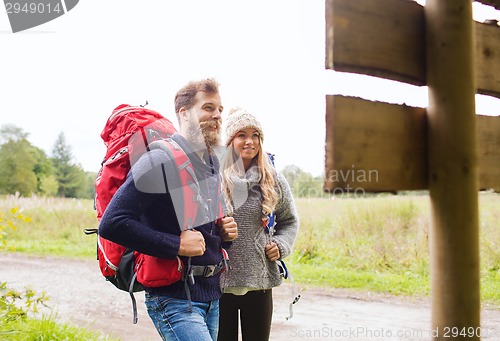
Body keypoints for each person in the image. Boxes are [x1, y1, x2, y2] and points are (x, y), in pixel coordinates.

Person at [99, 78, 238, 341]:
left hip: (211, 296)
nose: (217, 115)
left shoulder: (211, 162)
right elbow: (113, 223)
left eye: (220, 109)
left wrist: (224, 235)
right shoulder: (160, 159)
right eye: (208, 108)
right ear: (184, 113)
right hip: (174, 299)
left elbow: (203, 233)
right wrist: (176, 245)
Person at [217, 107, 299, 341]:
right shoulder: (214, 178)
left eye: (255, 135)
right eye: (242, 134)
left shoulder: (273, 179)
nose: (249, 141)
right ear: (230, 140)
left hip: (260, 283)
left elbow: (289, 220)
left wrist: (281, 244)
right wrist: (218, 231)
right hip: (220, 284)